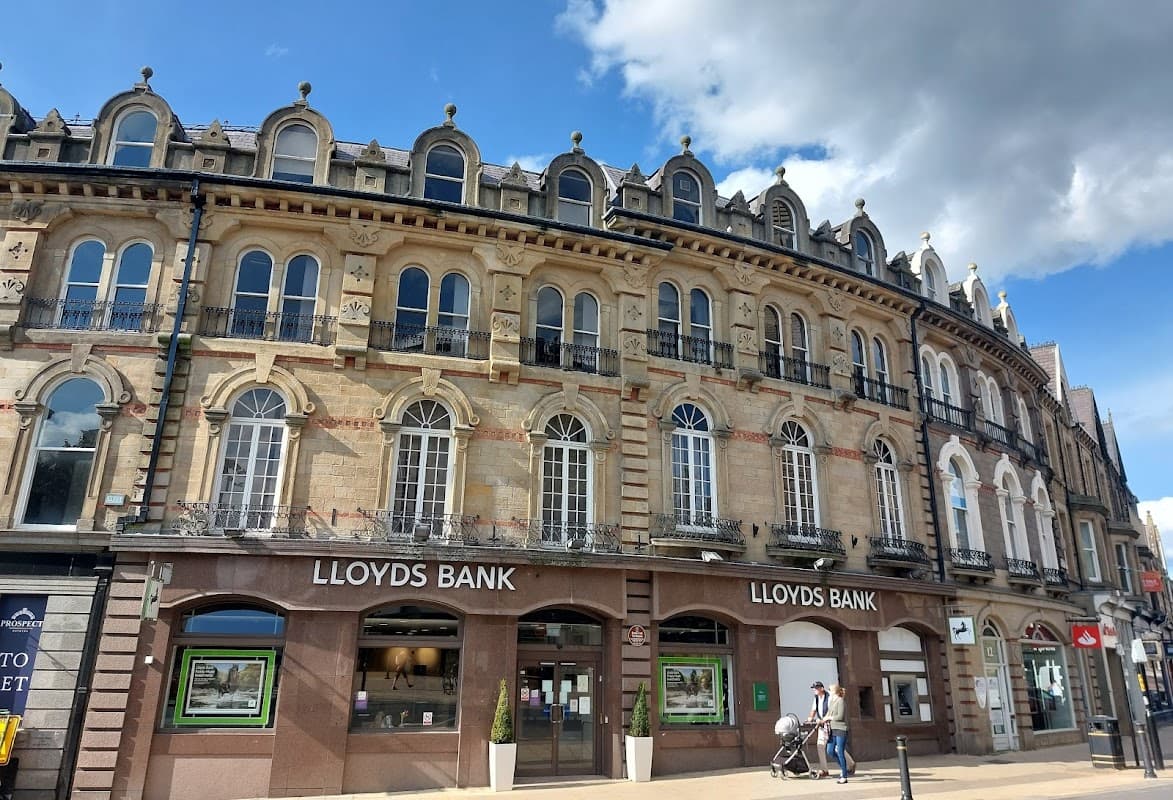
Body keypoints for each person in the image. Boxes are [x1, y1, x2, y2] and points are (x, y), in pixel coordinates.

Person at [806, 681, 831, 779]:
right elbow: (813, 709)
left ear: (821, 688)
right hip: (821, 726)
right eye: (813, 688)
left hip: (829, 725)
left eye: (816, 688)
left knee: (836, 747)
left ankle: (851, 764)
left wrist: (824, 720)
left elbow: (831, 711)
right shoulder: (816, 698)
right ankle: (824, 770)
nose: (814, 690)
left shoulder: (829, 697)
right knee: (820, 746)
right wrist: (810, 718)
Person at [826, 683, 850, 784]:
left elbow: (840, 716)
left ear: (834, 691)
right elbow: (828, 713)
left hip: (841, 729)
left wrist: (829, 718)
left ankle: (844, 776)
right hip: (833, 729)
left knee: (840, 751)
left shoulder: (840, 701)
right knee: (830, 750)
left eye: (830, 690)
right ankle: (843, 769)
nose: (829, 692)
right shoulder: (832, 702)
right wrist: (822, 719)